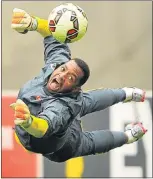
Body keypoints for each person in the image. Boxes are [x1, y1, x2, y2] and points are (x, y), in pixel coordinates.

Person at [10, 8, 147, 163]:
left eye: (70, 77)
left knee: (89, 142)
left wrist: (29, 122)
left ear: (75, 89)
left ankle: (128, 136)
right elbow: (51, 33)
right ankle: (128, 93)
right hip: (61, 113)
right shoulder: (56, 65)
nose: (62, 75)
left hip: (64, 145)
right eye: (63, 69)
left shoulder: (61, 107)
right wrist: (32, 22)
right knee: (86, 101)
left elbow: (42, 128)